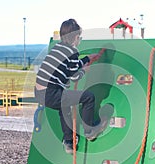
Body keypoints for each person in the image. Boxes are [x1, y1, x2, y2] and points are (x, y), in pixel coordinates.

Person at [34, 19, 111, 154]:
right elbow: (75, 76)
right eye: (79, 37)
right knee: (88, 97)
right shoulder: (73, 51)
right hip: (51, 93)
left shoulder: (58, 48)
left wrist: (87, 58)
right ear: (76, 37)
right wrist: (85, 71)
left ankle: (68, 142)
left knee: (64, 107)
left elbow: (69, 66)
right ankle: (89, 130)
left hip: (40, 93)